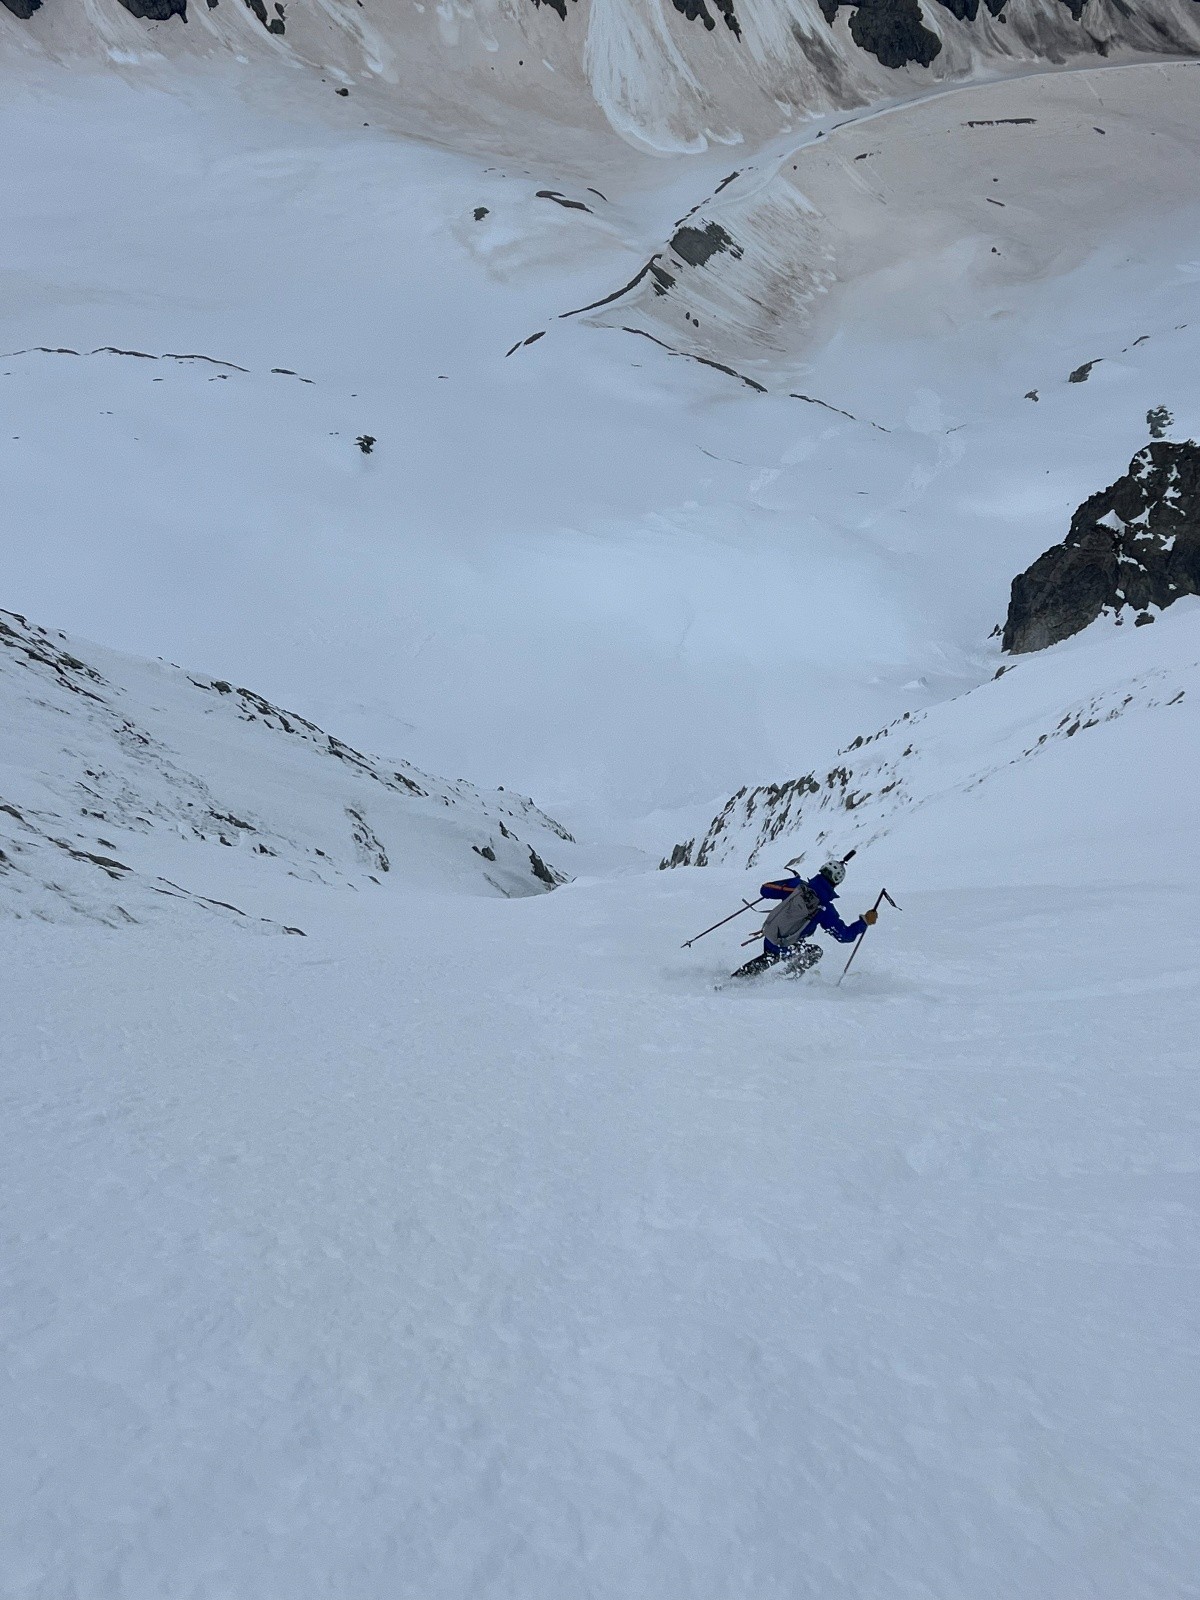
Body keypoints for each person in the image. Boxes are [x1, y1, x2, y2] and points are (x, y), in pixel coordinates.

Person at [731, 856, 877, 979]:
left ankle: (737, 980)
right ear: (837, 882)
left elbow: (765, 890)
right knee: (814, 952)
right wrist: (864, 922)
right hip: (787, 943)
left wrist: (789, 883)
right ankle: (784, 981)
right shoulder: (825, 908)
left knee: (770, 955)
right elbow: (844, 936)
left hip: (770, 933)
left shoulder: (797, 886)